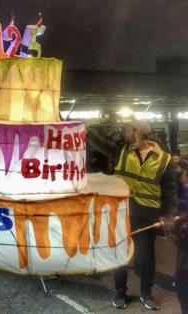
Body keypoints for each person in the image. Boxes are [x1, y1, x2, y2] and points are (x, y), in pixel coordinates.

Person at [90, 120, 177, 310]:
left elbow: (170, 190)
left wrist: (168, 215)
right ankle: (120, 293)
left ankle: (146, 294)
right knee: (121, 255)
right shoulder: (120, 151)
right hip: (123, 213)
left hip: (147, 216)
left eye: (128, 129)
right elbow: (95, 141)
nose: (124, 133)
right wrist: (92, 125)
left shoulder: (165, 159)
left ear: (138, 132)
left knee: (146, 258)